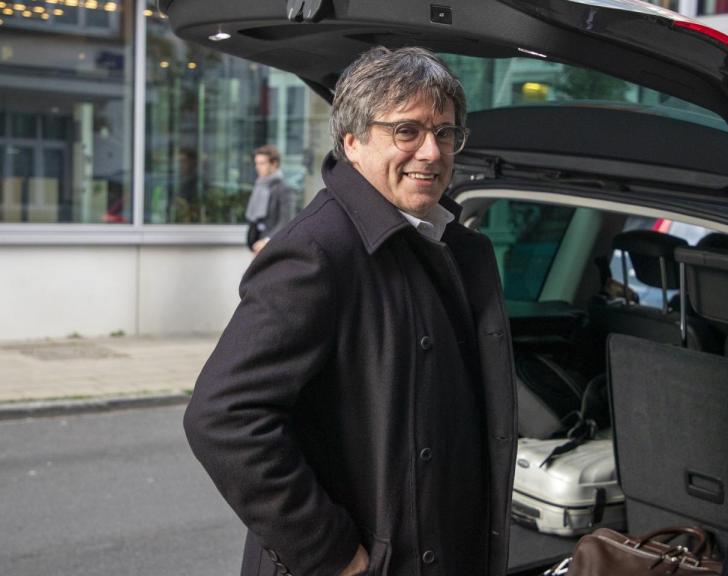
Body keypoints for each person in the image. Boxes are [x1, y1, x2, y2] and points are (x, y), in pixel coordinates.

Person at [183, 46, 516, 576]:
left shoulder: (456, 244)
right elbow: (223, 417)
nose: (432, 151)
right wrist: (333, 555)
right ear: (352, 141)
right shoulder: (317, 250)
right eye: (407, 131)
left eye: (446, 133)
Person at [245, 145, 299, 254]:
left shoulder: (285, 189)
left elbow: (287, 220)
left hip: (274, 247)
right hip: (257, 246)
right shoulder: (259, 186)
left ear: (274, 164)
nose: (257, 167)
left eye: (262, 163)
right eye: (256, 163)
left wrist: (266, 240)